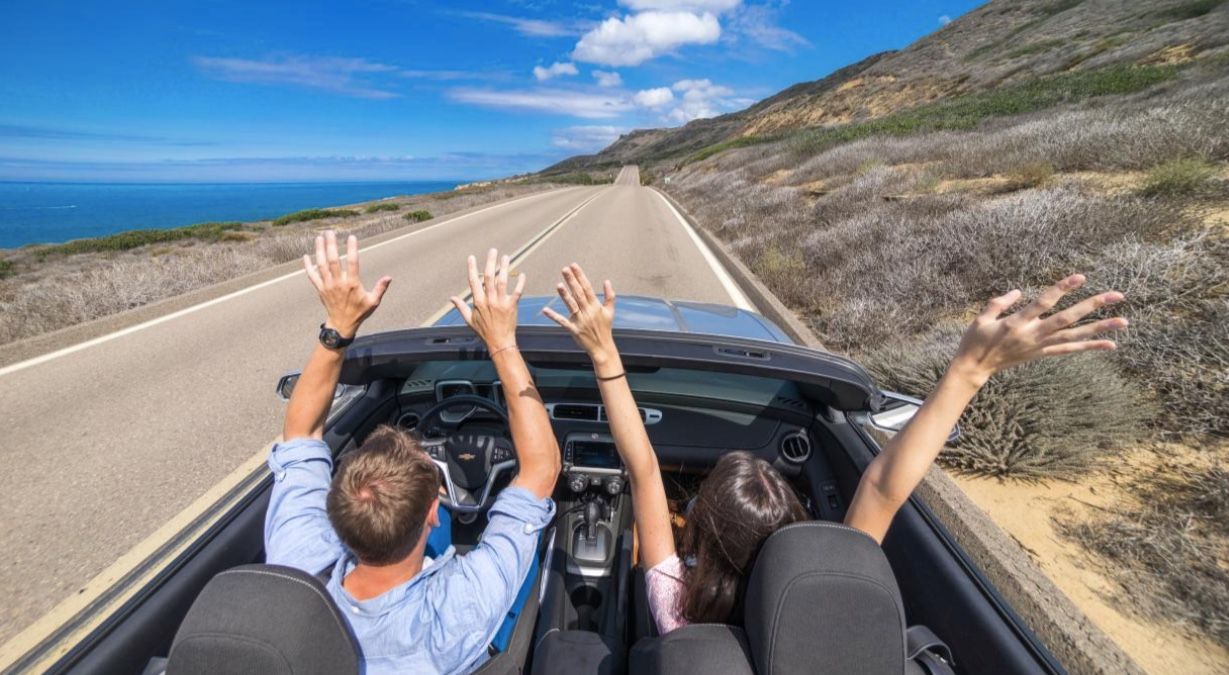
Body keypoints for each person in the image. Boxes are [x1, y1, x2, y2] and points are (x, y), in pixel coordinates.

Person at [543, 263, 1127, 634]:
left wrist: (604, 352)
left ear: (696, 535)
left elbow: (643, 468)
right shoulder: (824, 606)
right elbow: (883, 484)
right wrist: (972, 369)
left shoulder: (674, 602)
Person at [263, 232, 561, 674]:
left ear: (335, 512)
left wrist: (337, 328)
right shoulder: (456, 615)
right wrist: (501, 341)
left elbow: (301, 430)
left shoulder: (300, 567)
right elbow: (541, 465)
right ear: (433, 514)